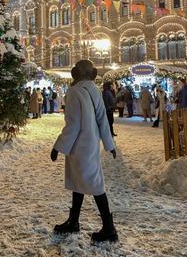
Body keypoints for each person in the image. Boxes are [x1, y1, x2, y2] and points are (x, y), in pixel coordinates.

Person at [51, 60, 118, 243]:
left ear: (75, 73)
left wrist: (58, 146)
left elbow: (73, 125)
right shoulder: (95, 90)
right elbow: (102, 119)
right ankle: (74, 221)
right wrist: (109, 144)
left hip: (79, 146)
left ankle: (109, 229)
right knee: (79, 182)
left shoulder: (74, 92)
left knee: (93, 184)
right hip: (91, 144)